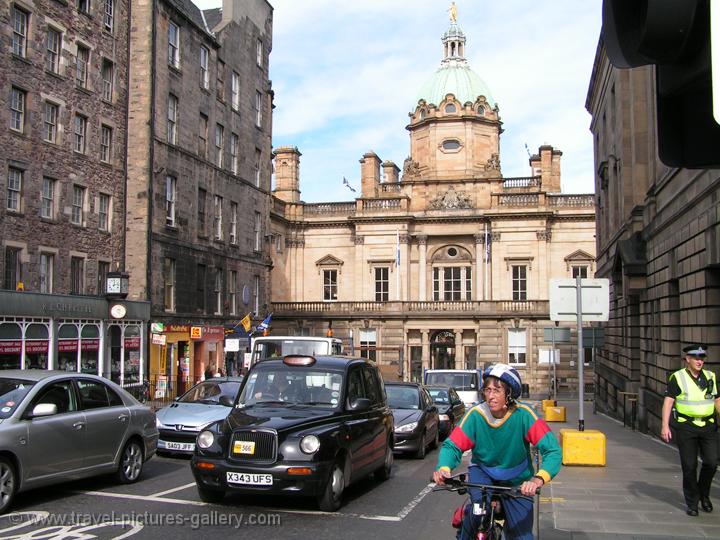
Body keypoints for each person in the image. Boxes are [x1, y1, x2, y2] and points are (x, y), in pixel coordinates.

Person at [433, 364, 561, 540]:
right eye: (487, 390)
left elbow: (553, 450)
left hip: (517, 480)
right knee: (477, 517)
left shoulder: (524, 415)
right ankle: (467, 519)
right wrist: (444, 467)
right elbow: (452, 446)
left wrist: (537, 480)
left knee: (522, 536)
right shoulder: (476, 415)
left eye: (497, 390)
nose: (490, 396)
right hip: (482, 473)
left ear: (509, 393)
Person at [661, 344, 720, 516]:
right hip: (686, 427)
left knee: (711, 462)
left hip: (708, 426)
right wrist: (665, 425)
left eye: (702, 358)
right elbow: (668, 402)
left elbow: (717, 400)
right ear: (687, 359)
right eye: (696, 358)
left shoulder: (711, 376)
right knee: (689, 466)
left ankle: (704, 494)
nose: (699, 361)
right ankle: (692, 503)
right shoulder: (677, 377)